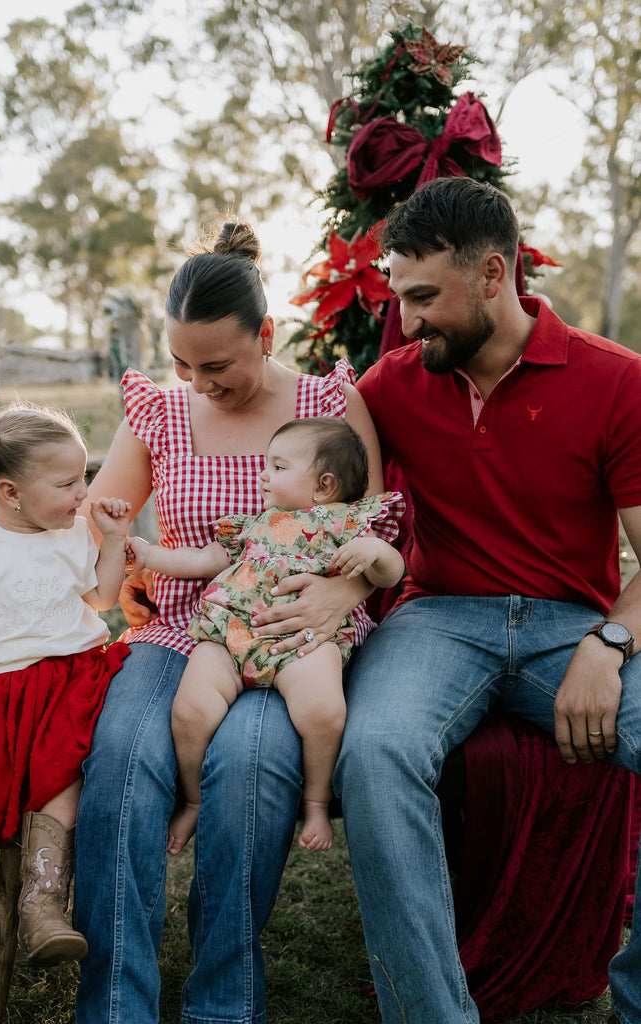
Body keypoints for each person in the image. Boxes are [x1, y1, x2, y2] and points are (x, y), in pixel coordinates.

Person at [331, 175, 641, 1024]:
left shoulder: (615, 381)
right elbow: (338, 501)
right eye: (399, 298)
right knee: (376, 751)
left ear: (495, 274)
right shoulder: (389, 385)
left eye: (424, 297)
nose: (408, 319)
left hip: (572, 623)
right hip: (437, 619)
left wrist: (608, 645)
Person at [73, 221, 394, 1024]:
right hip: (181, 628)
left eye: (216, 365)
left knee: (254, 770)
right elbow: (98, 524)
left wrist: (337, 602)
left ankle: (222, 1003)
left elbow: (375, 533)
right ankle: (115, 1005)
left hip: (292, 632)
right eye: (183, 363)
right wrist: (124, 552)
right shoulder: (158, 412)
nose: (198, 382)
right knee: (119, 761)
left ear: (266, 335)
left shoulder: (328, 403)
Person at [126, 416, 405, 854]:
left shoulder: (348, 527)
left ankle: (316, 801)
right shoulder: (255, 524)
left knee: (325, 713)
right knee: (189, 711)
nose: (263, 475)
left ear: (324, 485)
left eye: (278, 467)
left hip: (303, 644)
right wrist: (149, 555)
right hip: (231, 636)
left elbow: (392, 574)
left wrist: (376, 551)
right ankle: (195, 799)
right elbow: (203, 560)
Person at [0, 404, 130, 993]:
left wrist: (112, 539)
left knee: (62, 779)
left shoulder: (71, 535)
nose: (82, 494)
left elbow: (104, 599)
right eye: (67, 484)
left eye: (82, 479)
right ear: (10, 492)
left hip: (67, 684)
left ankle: (43, 905)